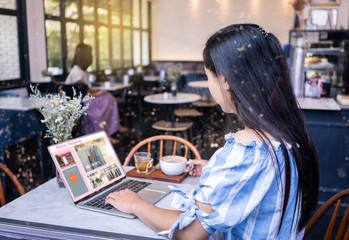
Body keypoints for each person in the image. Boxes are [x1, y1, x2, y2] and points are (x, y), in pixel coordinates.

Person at [105, 24, 319, 239]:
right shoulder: (285, 133)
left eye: (208, 77)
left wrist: (135, 204)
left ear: (225, 81)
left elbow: (187, 234)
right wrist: (217, 170)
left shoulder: (246, 152)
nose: (210, 85)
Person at [65, 43, 127, 144]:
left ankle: (114, 126)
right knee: (104, 100)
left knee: (109, 97)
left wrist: (99, 92)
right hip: (80, 102)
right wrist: (98, 93)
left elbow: (86, 88)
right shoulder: (77, 72)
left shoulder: (81, 70)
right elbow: (81, 94)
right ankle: (104, 134)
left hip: (85, 98)